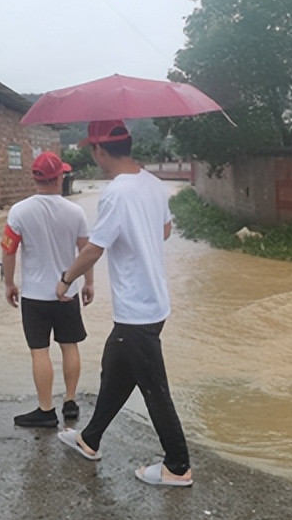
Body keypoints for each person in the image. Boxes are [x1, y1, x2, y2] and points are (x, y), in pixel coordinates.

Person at [55, 120, 192, 487]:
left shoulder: (116, 193)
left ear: (100, 151)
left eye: (92, 150)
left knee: (153, 389)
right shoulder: (153, 183)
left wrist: (66, 280)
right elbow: (164, 231)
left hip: (137, 307)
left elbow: (94, 249)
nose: (93, 156)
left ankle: (178, 466)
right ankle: (90, 439)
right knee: (115, 370)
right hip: (154, 301)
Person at [2, 151, 94, 428]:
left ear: (35, 178)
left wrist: (9, 283)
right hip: (66, 293)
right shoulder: (76, 211)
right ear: (59, 178)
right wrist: (88, 283)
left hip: (34, 296)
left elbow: (8, 250)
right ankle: (70, 401)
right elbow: (86, 250)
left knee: (39, 351)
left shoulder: (19, 211)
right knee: (69, 346)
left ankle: (45, 410)